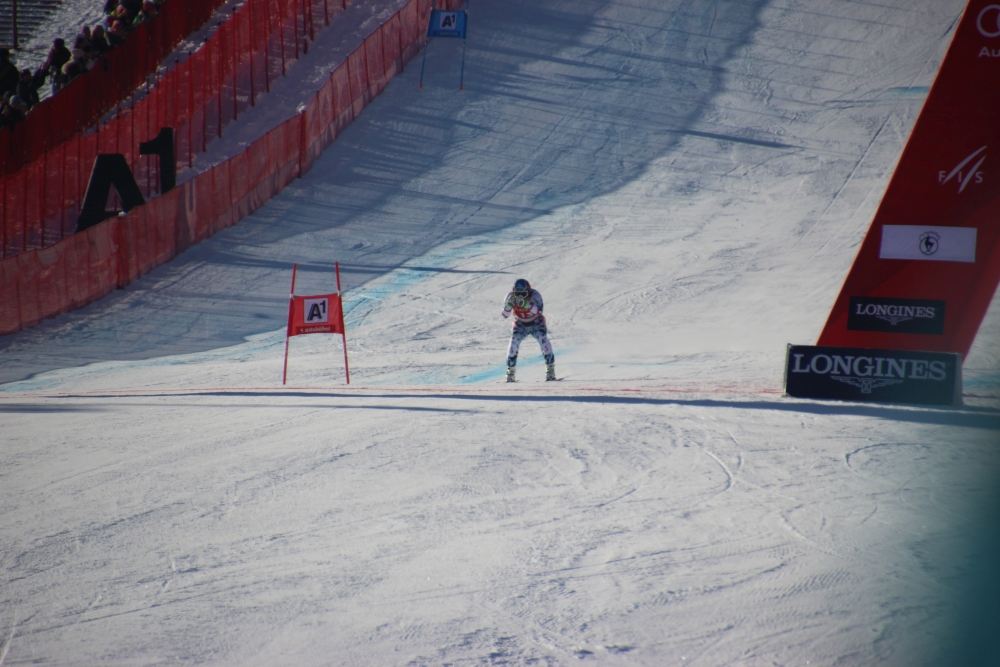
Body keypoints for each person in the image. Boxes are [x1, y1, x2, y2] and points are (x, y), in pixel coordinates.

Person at [501, 278, 556, 382]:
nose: (520, 296)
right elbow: (505, 315)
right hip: (520, 323)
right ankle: (510, 370)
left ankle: (550, 369)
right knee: (513, 341)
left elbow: (539, 311)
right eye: (518, 294)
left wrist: (526, 304)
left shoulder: (535, 295)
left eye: (523, 294)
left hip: (536, 322)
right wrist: (508, 305)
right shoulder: (510, 296)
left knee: (543, 339)